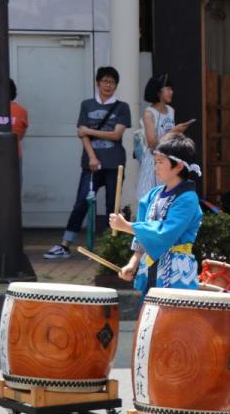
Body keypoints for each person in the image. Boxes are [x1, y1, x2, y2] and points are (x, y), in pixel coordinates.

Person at [43, 66, 132, 259]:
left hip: (115, 163)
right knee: (81, 202)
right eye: (105, 81)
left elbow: (116, 134)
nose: (108, 85)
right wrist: (92, 157)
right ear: (98, 82)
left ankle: (112, 247)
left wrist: (90, 131)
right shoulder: (87, 105)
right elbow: (81, 135)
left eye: (112, 82)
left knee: (112, 206)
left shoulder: (122, 107)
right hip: (91, 164)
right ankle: (65, 244)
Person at [111, 133, 202, 294]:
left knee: (172, 318)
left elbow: (165, 232)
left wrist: (126, 226)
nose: (156, 168)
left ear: (179, 166)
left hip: (176, 270)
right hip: (150, 267)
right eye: (155, 162)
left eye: (160, 162)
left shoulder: (188, 199)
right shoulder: (153, 195)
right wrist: (133, 263)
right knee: (149, 316)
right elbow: (142, 237)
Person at [136, 75, 191, 200]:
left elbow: (170, 136)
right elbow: (152, 143)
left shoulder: (171, 110)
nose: (171, 92)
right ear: (158, 91)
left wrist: (178, 133)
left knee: (167, 197)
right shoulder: (149, 113)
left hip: (169, 159)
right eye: (168, 89)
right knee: (148, 196)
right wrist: (174, 131)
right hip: (153, 161)